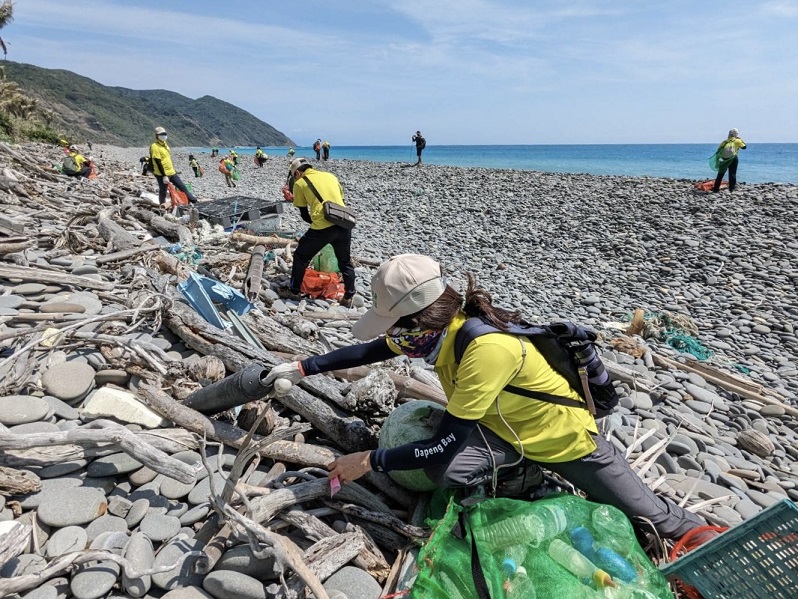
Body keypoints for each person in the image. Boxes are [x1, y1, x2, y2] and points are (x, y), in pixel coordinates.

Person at [266, 254, 709, 542]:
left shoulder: (485, 349)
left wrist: (369, 460)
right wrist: (304, 367)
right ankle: (519, 469)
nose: (392, 336)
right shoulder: (434, 330)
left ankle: (720, 539)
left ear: (423, 318)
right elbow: (370, 350)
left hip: (563, 441)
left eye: (395, 325)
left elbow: (443, 442)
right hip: (502, 430)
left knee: (654, 518)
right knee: (444, 470)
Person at [277, 157, 356, 307]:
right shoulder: (330, 176)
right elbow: (340, 200)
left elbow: (304, 213)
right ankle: (349, 295)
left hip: (322, 227)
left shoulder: (300, 183)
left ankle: (294, 291)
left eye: (294, 176)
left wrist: (316, 225)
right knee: (345, 261)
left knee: (301, 256)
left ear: (298, 173)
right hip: (343, 223)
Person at [149, 127, 198, 205]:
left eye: (165, 134)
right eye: (161, 134)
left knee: (182, 187)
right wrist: (164, 176)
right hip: (162, 174)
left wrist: (173, 170)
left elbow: (167, 159)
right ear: (157, 135)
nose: (164, 135)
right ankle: (162, 206)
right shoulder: (155, 146)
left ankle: (194, 201)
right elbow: (158, 162)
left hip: (172, 172)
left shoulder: (165, 145)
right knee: (163, 191)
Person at [712, 128, 747, 193]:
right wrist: (741, 139)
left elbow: (718, 151)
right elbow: (744, 147)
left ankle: (716, 189)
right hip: (733, 159)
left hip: (723, 159)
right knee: (732, 173)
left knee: (720, 174)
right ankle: (731, 189)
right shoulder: (738, 141)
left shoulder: (725, 142)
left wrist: (719, 160)